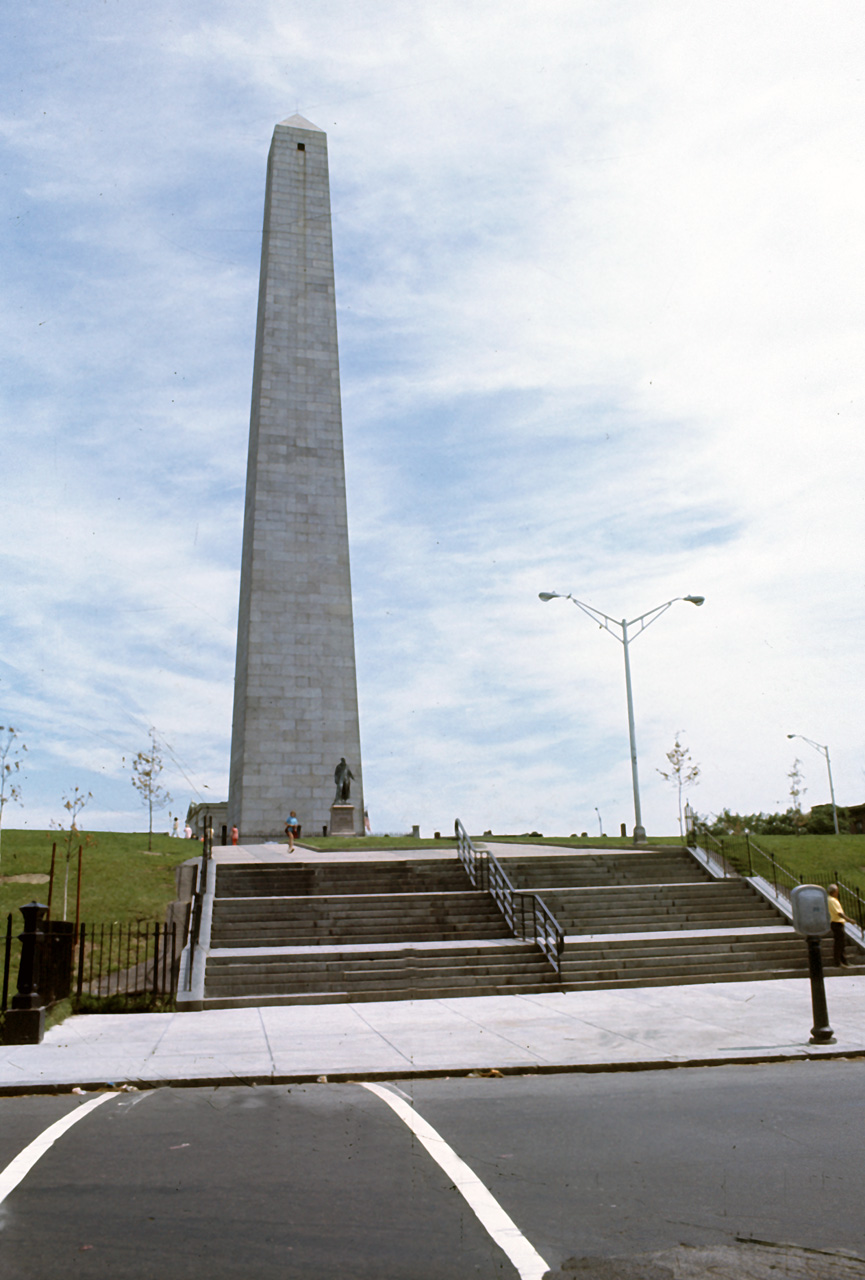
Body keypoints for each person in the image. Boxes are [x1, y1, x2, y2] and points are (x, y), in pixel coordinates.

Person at [828, 884, 851, 967]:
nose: (838, 892)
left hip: (838, 923)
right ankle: (838, 962)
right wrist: (850, 920)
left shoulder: (832, 899)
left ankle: (843, 960)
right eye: (837, 891)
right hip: (836, 923)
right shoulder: (832, 900)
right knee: (839, 943)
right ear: (834, 891)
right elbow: (839, 913)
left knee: (841, 943)